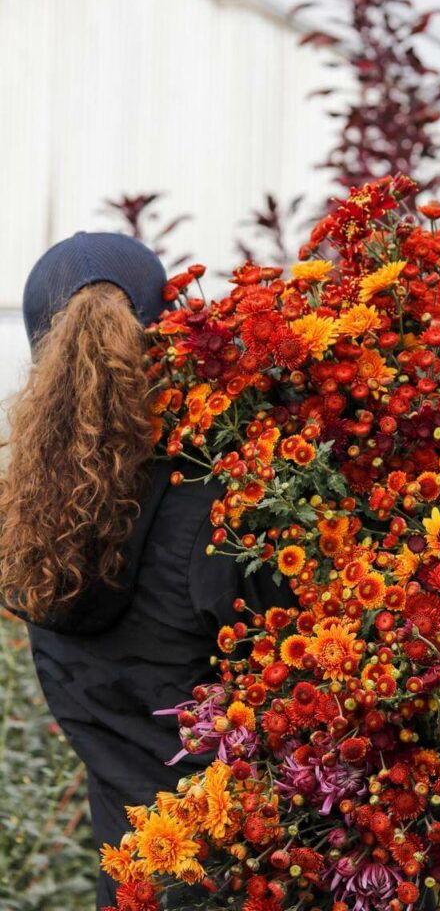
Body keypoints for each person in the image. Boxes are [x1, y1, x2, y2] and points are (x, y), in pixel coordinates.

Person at [0, 232, 291, 909]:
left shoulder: (34, 538)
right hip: (260, 877)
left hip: (138, 880)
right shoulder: (216, 512)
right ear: (169, 337)